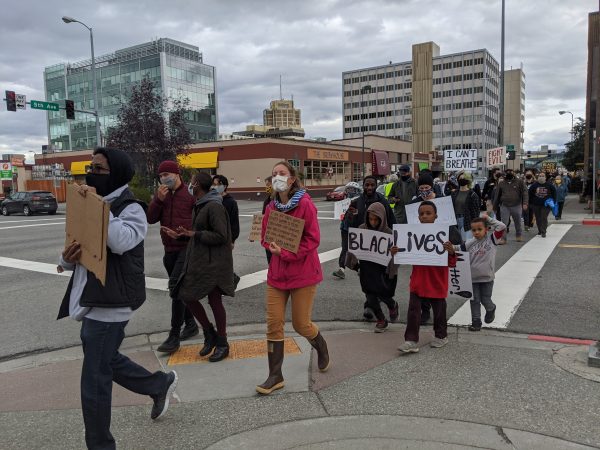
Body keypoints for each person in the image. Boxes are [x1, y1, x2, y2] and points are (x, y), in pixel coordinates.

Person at [58, 148, 177, 450]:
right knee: (106, 361)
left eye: (99, 169)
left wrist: (98, 206)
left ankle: (100, 446)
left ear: (117, 173)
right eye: (91, 167)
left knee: (94, 383)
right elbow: (81, 245)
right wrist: (68, 259)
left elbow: (121, 241)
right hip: (91, 298)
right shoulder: (96, 202)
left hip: (111, 304)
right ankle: (157, 384)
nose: (91, 173)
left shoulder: (129, 207)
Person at [256, 161, 330, 395]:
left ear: (291, 179)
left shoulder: (306, 205)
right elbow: (266, 236)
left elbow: (312, 239)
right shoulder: (271, 207)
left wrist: (286, 253)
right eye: (274, 173)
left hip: (303, 274)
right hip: (277, 274)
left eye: (282, 173)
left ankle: (320, 344)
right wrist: (271, 246)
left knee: (301, 324)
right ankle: (275, 375)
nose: (277, 176)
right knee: (273, 324)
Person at [167, 171, 234, 362]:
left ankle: (222, 342)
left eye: (192, 182)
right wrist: (182, 234)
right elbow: (198, 232)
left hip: (214, 263)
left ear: (197, 185)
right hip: (199, 260)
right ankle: (209, 333)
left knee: (214, 301)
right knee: (186, 294)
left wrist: (194, 234)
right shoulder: (200, 204)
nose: (189, 184)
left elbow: (222, 236)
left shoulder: (214, 206)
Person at [147, 160, 198, 354]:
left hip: (186, 248)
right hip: (168, 249)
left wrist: (186, 233)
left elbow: (200, 221)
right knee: (180, 290)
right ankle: (191, 323)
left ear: (177, 175)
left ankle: (174, 336)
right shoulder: (162, 195)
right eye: (161, 176)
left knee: (176, 289)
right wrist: (157, 200)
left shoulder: (190, 195)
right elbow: (150, 218)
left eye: (167, 174)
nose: (164, 178)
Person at [397, 201, 457, 353]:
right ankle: (410, 340)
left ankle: (441, 335)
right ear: (418, 217)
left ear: (436, 216)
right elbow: (404, 254)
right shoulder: (412, 233)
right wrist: (396, 251)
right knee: (413, 311)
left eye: (428, 213)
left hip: (436, 280)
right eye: (421, 214)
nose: (424, 216)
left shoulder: (443, 235)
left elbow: (452, 262)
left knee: (439, 311)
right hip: (418, 280)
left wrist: (450, 251)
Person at [346, 175, 396, 319]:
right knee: (367, 280)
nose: (369, 187)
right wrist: (351, 216)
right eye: (366, 185)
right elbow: (350, 226)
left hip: (380, 248)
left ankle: (388, 304)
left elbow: (391, 221)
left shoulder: (383, 201)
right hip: (364, 248)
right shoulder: (356, 202)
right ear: (363, 186)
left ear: (375, 185)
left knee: (379, 282)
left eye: (371, 185)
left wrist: (393, 241)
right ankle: (370, 306)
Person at [345, 202, 400, 332]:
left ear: (382, 218)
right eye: (370, 219)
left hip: (382, 270)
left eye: (376, 219)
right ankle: (381, 319)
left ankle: (392, 305)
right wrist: (353, 263)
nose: (373, 222)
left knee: (383, 294)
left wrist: (393, 254)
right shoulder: (362, 229)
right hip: (366, 268)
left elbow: (396, 256)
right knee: (370, 295)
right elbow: (354, 248)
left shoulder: (389, 233)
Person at [455, 214, 506, 331]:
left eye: (479, 229)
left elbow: (502, 227)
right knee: (474, 300)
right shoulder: (470, 243)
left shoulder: (492, 239)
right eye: (474, 230)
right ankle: (476, 322)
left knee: (485, 299)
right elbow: (458, 248)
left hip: (487, 278)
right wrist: (449, 247)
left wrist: (488, 219)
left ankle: (491, 308)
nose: (476, 232)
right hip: (472, 278)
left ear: (486, 229)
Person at [212, 174, 241, 288]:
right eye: (213, 184)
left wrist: (233, 239)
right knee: (215, 260)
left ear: (224, 186)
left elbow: (234, 223)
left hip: (226, 237)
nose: (214, 187)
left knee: (224, 261)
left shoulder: (230, 202)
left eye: (217, 184)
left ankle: (231, 279)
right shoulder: (212, 200)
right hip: (213, 235)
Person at [333, 181, 362, 280]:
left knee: (356, 250)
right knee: (345, 248)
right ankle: (341, 269)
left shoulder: (359, 201)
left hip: (355, 229)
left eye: (352, 189)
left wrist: (355, 213)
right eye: (348, 189)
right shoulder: (345, 201)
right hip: (345, 228)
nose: (349, 191)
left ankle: (359, 268)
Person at [493, 168, 528, 244]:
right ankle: (503, 239)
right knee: (504, 223)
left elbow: (525, 192)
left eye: (510, 172)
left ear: (513, 173)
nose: (509, 173)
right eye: (507, 172)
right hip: (505, 206)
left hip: (516, 205)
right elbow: (497, 196)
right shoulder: (501, 183)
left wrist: (525, 203)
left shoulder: (520, 182)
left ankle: (519, 235)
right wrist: (495, 207)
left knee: (518, 222)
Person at [451, 171, 481, 242]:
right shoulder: (454, 193)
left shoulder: (472, 195)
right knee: (457, 241)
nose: (462, 180)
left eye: (464, 178)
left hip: (467, 220)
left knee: (466, 242)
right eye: (460, 178)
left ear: (468, 181)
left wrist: (475, 225)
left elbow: (476, 212)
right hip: (455, 220)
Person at [528, 173, 557, 238]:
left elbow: (554, 193)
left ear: (545, 177)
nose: (541, 177)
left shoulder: (549, 185)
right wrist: (530, 204)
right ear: (538, 177)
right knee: (538, 218)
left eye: (543, 176)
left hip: (546, 205)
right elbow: (529, 194)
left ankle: (543, 231)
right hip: (536, 205)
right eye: (540, 176)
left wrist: (554, 201)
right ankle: (540, 230)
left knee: (543, 217)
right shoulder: (534, 185)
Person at [262, 176, 273, 263]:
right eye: (266, 185)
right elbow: (263, 218)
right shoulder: (266, 201)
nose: (267, 188)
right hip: (268, 238)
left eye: (269, 185)